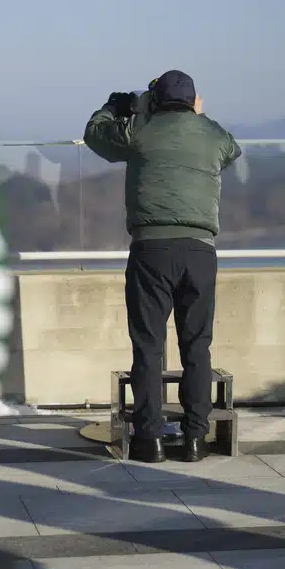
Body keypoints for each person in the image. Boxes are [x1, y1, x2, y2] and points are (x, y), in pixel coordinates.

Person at [83, 70, 241, 463]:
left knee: (149, 347)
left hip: (151, 249)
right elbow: (231, 150)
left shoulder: (139, 129)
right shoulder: (212, 134)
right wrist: (199, 118)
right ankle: (194, 440)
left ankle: (149, 440)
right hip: (200, 252)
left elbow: (95, 134)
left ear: (155, 101)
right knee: (197, 347)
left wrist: (114, 107)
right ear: (192, 101)